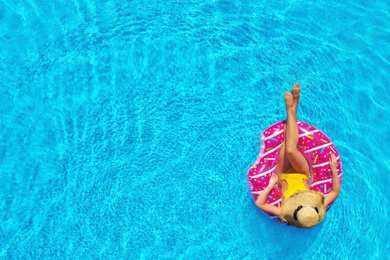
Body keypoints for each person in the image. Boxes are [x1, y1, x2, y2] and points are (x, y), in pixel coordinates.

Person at [255, 83, 341, 228]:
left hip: (282, 174)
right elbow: (335, 191)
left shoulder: (285, 213)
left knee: (285, 143)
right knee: (290, 150)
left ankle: (293, 108)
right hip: (302, 172)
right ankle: (292, 107)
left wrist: (270, 186)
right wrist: (333, 169)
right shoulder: (317, 207)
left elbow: (259, 203)